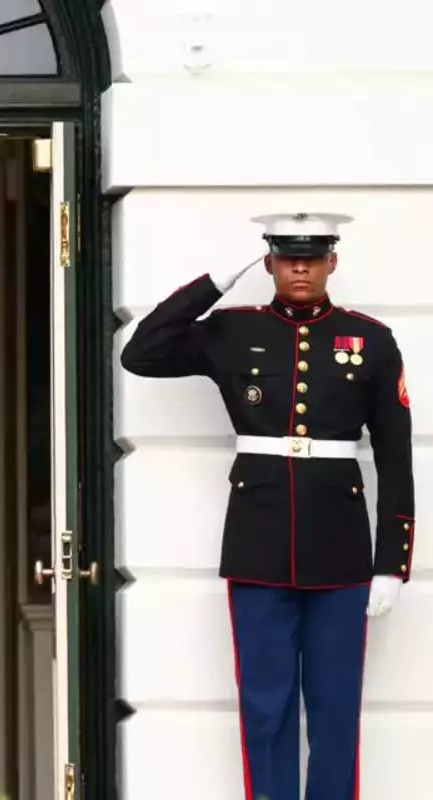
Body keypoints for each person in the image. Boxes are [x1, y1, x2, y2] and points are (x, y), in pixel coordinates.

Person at [120, 212, 414, 800]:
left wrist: (391, 564)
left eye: (312, 257)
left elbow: (395, 455)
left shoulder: (371, 339)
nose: (300, 268)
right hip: (258, 541)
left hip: (341, 548)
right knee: (264, 707)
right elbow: (142, 352)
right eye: (287, 258)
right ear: (270, 263)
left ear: (332, 262)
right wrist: (214, 282)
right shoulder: (231, 330)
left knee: (335, 709)